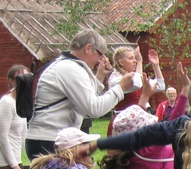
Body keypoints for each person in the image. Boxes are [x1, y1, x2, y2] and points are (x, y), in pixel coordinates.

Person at [25, 29, 134, 160]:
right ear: (88, 48)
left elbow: (86, 98)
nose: (101, 60)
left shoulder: (66, 65)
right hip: (49, 141)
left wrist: (100, 76)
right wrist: (120, 88)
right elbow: (95, 109)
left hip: (47, 139)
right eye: (100, 55)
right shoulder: (71, 68)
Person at [108, 46, 166, 118]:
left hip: (139, 119)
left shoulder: (136, 76)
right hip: (124, 121)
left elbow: (161, 86)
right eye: (131, 58)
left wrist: (155, 65)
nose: (135, 61)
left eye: (135, 58)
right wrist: (139, 62)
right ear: (121, 62)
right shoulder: (116, 79)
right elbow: (137, 84)